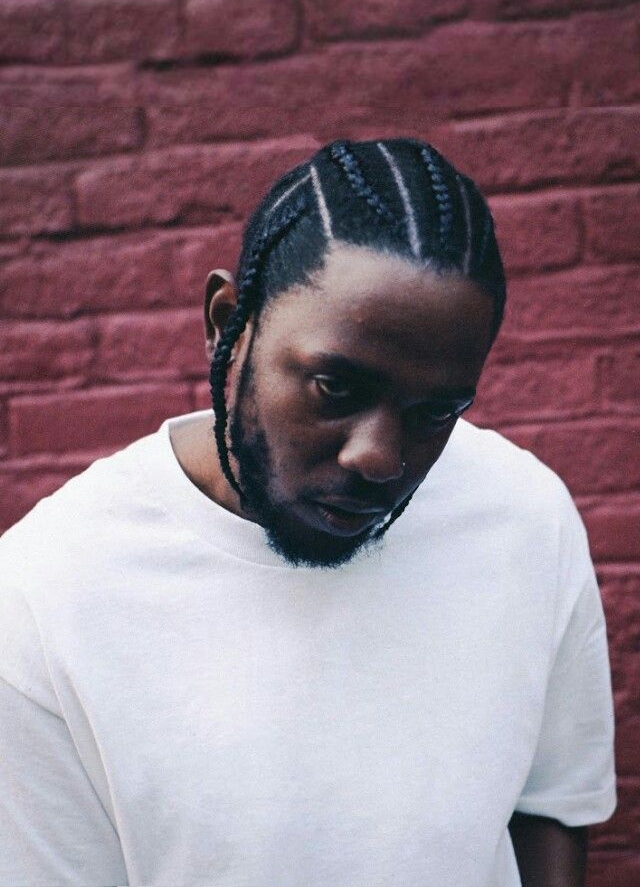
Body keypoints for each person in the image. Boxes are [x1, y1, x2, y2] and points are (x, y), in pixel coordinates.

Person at [0, 138, 615, 887]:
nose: (380, 458)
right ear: (228, 323)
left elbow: (551, 805)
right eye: (337, 387)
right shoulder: (43, 598)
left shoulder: (526, 519)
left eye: (435, 412)